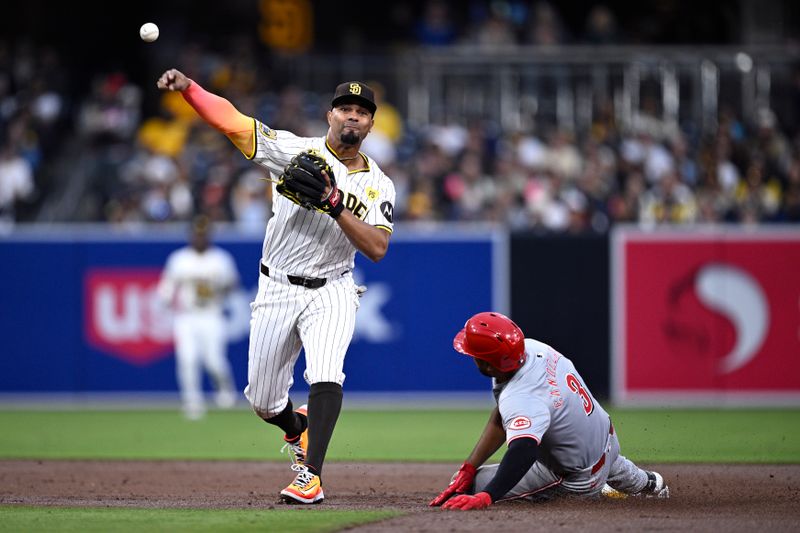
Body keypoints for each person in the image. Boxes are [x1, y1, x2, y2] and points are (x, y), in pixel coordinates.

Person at [156, 70, 395, 504]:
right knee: (263, 400)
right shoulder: (293, 150)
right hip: (277, 288)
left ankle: (312, 477)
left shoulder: (380, 184)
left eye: (362, 112)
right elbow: (232, 121)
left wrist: (336, 206)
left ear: (372, 124)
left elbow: (377, 247)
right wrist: (190, 89)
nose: (353, 117)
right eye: (346, 109)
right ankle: (295, 428)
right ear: (330, 114)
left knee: (326, 372)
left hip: (334, 288)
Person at [430, 312, 669, 510]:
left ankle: (602, 492)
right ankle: (647, 483)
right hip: (606, 439)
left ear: (488, 364)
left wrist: (487, 496)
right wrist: (469, 466)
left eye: (475, 355)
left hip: (578, 477)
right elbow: (504, 416)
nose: (471, 357)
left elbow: (524, 451)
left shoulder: (521, 396)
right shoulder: (531, 349)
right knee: (600, 459)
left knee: (471, 487)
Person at [157, 215, 240, 420]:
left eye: (203, 234)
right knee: (187, 359)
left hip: (212, 314)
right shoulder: (179, 259)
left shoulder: (221, 259)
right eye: (197, 234)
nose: (200, 238)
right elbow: (167, 287)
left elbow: (233, 285)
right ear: (191, 235)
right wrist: (165, 299)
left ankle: (225, 391)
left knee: (214, 361)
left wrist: (220, 286)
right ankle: (192, 402)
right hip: (187, 315)